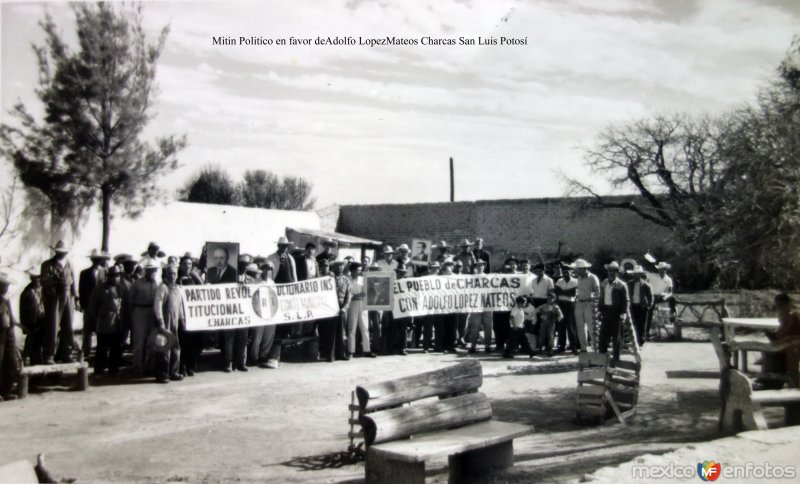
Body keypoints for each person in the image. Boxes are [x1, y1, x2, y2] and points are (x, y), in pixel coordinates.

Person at [40, 240, 79, 364]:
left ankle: (66, 353)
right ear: (55, 251)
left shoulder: (70, 264)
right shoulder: (47, 264)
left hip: (68, 296)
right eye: (59, 251)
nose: (62, 254)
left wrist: (76, 297)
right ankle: (49, 354)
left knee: (68, 326)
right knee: (53, 325)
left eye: (64, 252)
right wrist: (56, 281)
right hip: (54, 296)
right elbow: (44, 281)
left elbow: (73, 281)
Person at [264, 236, 298, 368]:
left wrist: (295, 288)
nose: (284, 248)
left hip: (288, 294)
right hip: (276, 292)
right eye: (282, 246)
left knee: (287, 321)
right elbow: (269, 277)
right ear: (278, 246)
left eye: (286, 246)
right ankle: (272, 351)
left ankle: (283, 348)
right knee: (276, 322)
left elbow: (294, 276)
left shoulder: (291, 258)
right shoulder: (271, 258)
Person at [87, 265, 124, 378]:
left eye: (117, 275)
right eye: (113, 275)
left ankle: (113, 369)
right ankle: (99, 370)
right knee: (102, 348)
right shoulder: (100, 288)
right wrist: (98, 318)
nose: (115, 278)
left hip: (117, 323)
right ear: (108, 276)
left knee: (116, 347)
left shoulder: (120, 288)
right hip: (104, 322)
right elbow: (92, 306)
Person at [153, 264, 184, 383]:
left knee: (176, 347)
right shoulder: (163, 287)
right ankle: (162, 374)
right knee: (164, 348)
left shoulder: (177, 288)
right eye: (170, 273)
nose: (173, 276)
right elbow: (158, 304)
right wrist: (160, 320)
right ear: (166, 274)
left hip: (175, 322)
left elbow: (180, 306)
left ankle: (174, 372)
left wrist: (182, 320)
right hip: (165, 322)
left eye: (175, 273)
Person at [128, 260, 160, 371]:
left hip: (153, 311)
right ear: (145, 271)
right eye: (149, 270)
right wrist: (132, 315)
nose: (152, 272)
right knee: (139, 340)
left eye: (154, 270)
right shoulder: (137, 283)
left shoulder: (158, 283)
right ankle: (137, 365)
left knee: (152, 340)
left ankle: (149, 366)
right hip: (140, 310)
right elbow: (130, 301)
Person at [79, 249, 111, 358]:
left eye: (98, 259)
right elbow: (82, 290)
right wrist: (83, 304)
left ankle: (100, 352)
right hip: (89, 304)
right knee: (87, 328)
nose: (96, 261)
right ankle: (86, 351)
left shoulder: (106, 272)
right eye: (95, 259)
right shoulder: (85, 273)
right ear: (92, 260)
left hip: (101, 305)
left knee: (101, 328)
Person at [177, 253, 203, 376]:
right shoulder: (178, 279)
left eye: (190, 264)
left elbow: (202, 288)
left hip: (194, 315)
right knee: (184, 342)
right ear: (181, 265)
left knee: (194, 341)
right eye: (185, 264)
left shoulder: (193, 277)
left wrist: (194, 274)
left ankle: (190, 366)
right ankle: (182, 367)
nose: (187, 266)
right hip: (183, 314)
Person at [319, 261, 350, 362]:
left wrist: (344, 307)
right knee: (331, 332)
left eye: (341, 266)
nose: (340, 268)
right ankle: (330, 355)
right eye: (337, 266)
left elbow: (348, 296)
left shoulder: (346, 280)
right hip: (331, 306)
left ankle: (341, 354)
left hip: (342, 306)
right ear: (334, 267)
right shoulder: (329, 279)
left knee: (342, 331)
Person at [598, 261, 629, 362]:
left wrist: (623, 314)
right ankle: (602, 359)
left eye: (613, 271)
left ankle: (616, 360)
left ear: (617, 272)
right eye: (609, 270)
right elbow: (601, 297)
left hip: (616, 313)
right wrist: (600, 310)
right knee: (603, 336)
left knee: (617, 338)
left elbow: (626, 301)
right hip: (606, 311)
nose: (610, 273)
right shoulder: (604, 282)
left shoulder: (621, 285)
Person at [767, 293, 800, 388]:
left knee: (791, 352)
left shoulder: (793, 316)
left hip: (794, 345)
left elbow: (788, 333)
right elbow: (781, 334)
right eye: (777, 306)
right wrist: (772, 335)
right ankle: (773, 381)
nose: (779, 308)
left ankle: (795, 386)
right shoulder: (784, 317)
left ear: (788, 304)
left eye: (781, 305)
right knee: (768, 352)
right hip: (786, 345)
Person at [347, 262, 376, 358]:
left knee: (365, 327)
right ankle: (351, 351)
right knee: (352, 327)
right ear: (352, 270)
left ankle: (367, 350)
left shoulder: (363, 280)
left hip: (363, 305)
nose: (359, 272)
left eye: (360, 270)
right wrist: (355, 296)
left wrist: (356, 295)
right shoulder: (347, 280)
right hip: (352, 305)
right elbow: (348, 296)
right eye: (358, 270)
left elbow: (366, 293)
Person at [572, 258, 600, 352]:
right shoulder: (578, 278)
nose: (576, 270)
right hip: (579, 303)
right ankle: (583, 348)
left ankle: (595, 347)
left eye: (578, 268)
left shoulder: (593, 278)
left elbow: (598, 292)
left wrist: (594, 300)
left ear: (583, 268)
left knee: (592, 326)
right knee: (580, 327)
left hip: (589, 303)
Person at [0, 272, 20, 400]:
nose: (6, 288)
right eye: (3, 285)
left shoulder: (5, 300)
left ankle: (5, 391)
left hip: (7, 333)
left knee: (11, 361)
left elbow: (11, 319)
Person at [466, 260, 493, 353]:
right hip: (475, 305)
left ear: (484, 267)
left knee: (488, 326)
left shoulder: (489, 278)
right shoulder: (471, 278)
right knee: (475, 327)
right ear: (475, 267)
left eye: (482, 265)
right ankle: (473, 346)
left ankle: (488, 345)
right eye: (478, 265)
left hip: (487, 304)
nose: (480, 267)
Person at [19, 268, 45, 365]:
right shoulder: (26, 293)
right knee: (33, 345)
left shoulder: (45, 290)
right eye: (34, 278)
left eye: (38, 278)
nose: (36, 280)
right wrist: (25, 326)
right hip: (32, 324)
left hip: (43, 322)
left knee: (42, 345)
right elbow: (23, 311)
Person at [434, 260, 458, 353]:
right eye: (446, 270)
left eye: (450, 269)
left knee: (452, 326)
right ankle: (440, 345)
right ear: (442, 270)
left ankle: (451, 345)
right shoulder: (438, 279)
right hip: (441, 305)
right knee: (441, 326)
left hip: (453, 305)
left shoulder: (456, 278)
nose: (448, 272)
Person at [555, 264, 579, 354]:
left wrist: (563, 291)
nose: (566, 273)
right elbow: (557, 292)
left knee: (571, 326)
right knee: (561, 326)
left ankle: (573, 346)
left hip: (571, 305)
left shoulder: (575, 281)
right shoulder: (559, 281)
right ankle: (561, 346)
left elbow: (573, 294)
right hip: (561, 305)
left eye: (567, 271)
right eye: (564, 271)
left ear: (571, 272)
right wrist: (568, 291)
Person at [648, 261, 676, 339]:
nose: (662, 271)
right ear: (658, 270)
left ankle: (672, 314)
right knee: (651, 308)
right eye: (660, 269)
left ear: (666, 270)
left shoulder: (668, 279)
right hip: (651, 296)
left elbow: (671, 292)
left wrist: (666, 296)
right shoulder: (653, 276)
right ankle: (648, 328)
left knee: (672, 298)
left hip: (660, 295)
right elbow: (644, 274)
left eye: (663, 269)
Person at [628, 266, 653, 347]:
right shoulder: (629, 284)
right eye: (635, 274)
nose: (636, 276)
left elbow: (650, 297)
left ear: (641, 275)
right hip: (632, 306)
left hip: (642, 306)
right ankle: (633, 340)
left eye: (638, 274)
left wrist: (649, 305)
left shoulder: (646, 285)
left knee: (641, 324)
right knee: (632, 323)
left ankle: (640, 341)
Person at [535, 291, 564, 357]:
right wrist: (540, 312)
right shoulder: (544, 305)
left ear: (554, 299)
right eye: (548, 298)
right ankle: (540, 348)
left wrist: (556, 319)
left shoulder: (556, 307)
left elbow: (561, 315)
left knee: (550, 335)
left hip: (551, 323)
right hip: (544, 322)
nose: (549, 300)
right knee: (542, 334)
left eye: (551, 298)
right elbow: (537, 309)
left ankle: (550, 349)